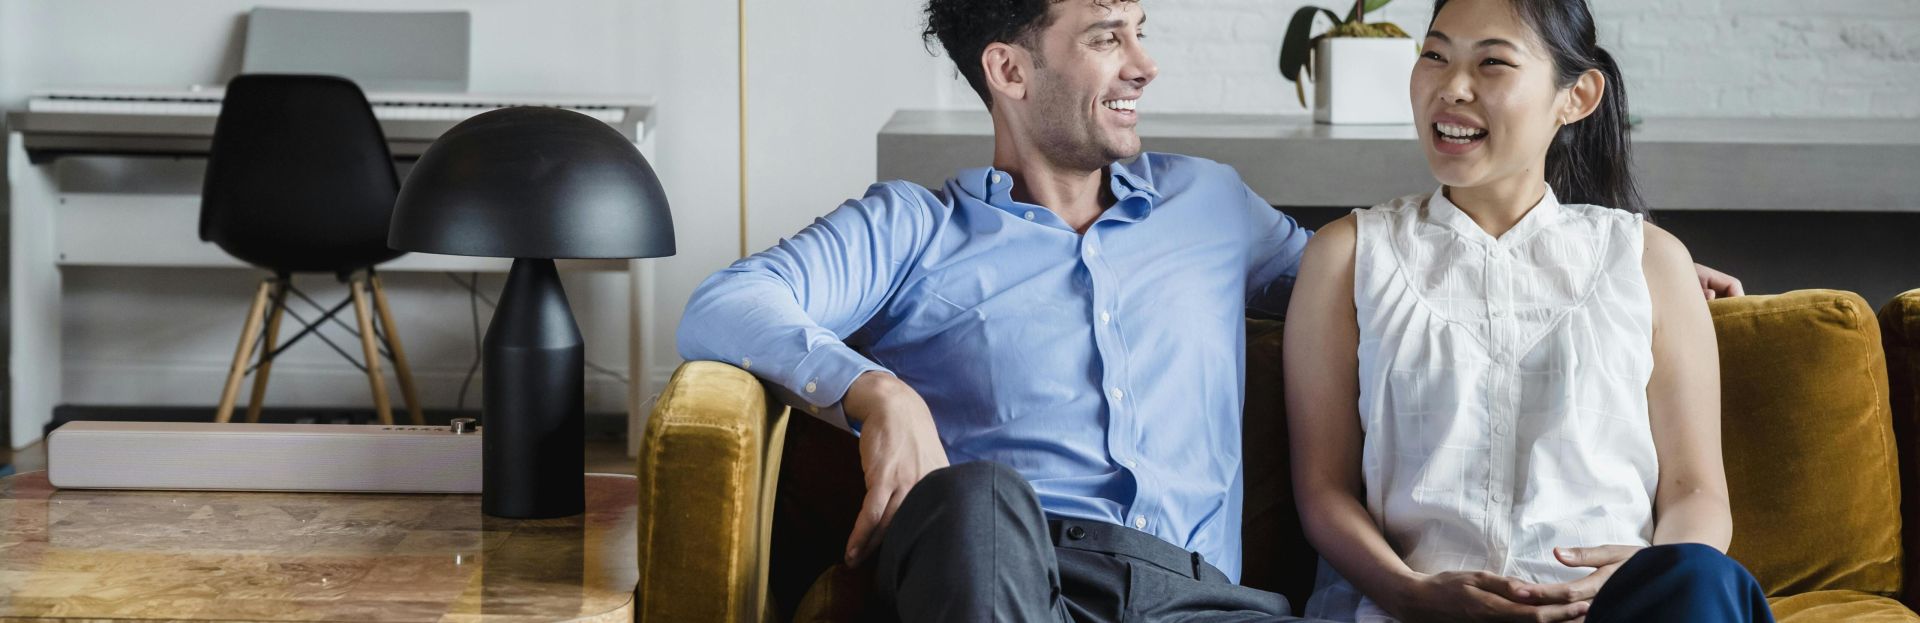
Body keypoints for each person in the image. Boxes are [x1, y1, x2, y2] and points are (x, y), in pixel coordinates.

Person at [679, 0, 1742, 620]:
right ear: (1008, 69)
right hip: (1015, 570)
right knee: (974, 496)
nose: (1145, 64)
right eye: (1108, 36)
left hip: (1203, 602)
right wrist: (876, 390)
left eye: (1141, 30)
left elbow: (1402, 287)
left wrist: (1610, 273)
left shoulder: (1212, 207)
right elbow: (727, 303)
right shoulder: (912, 227)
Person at [1283, 0, 1775, 621]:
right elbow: (1324, 491)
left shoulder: (1649, 260)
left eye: (1492, 63)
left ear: (1577, 96)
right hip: (1414, 610)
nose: (1451, 87)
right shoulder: (1348, 256)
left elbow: (1695, 491)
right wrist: (1409, 592)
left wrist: (1649, 571)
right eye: (1434, 55)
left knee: (1706, 578)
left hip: (1615, 610)